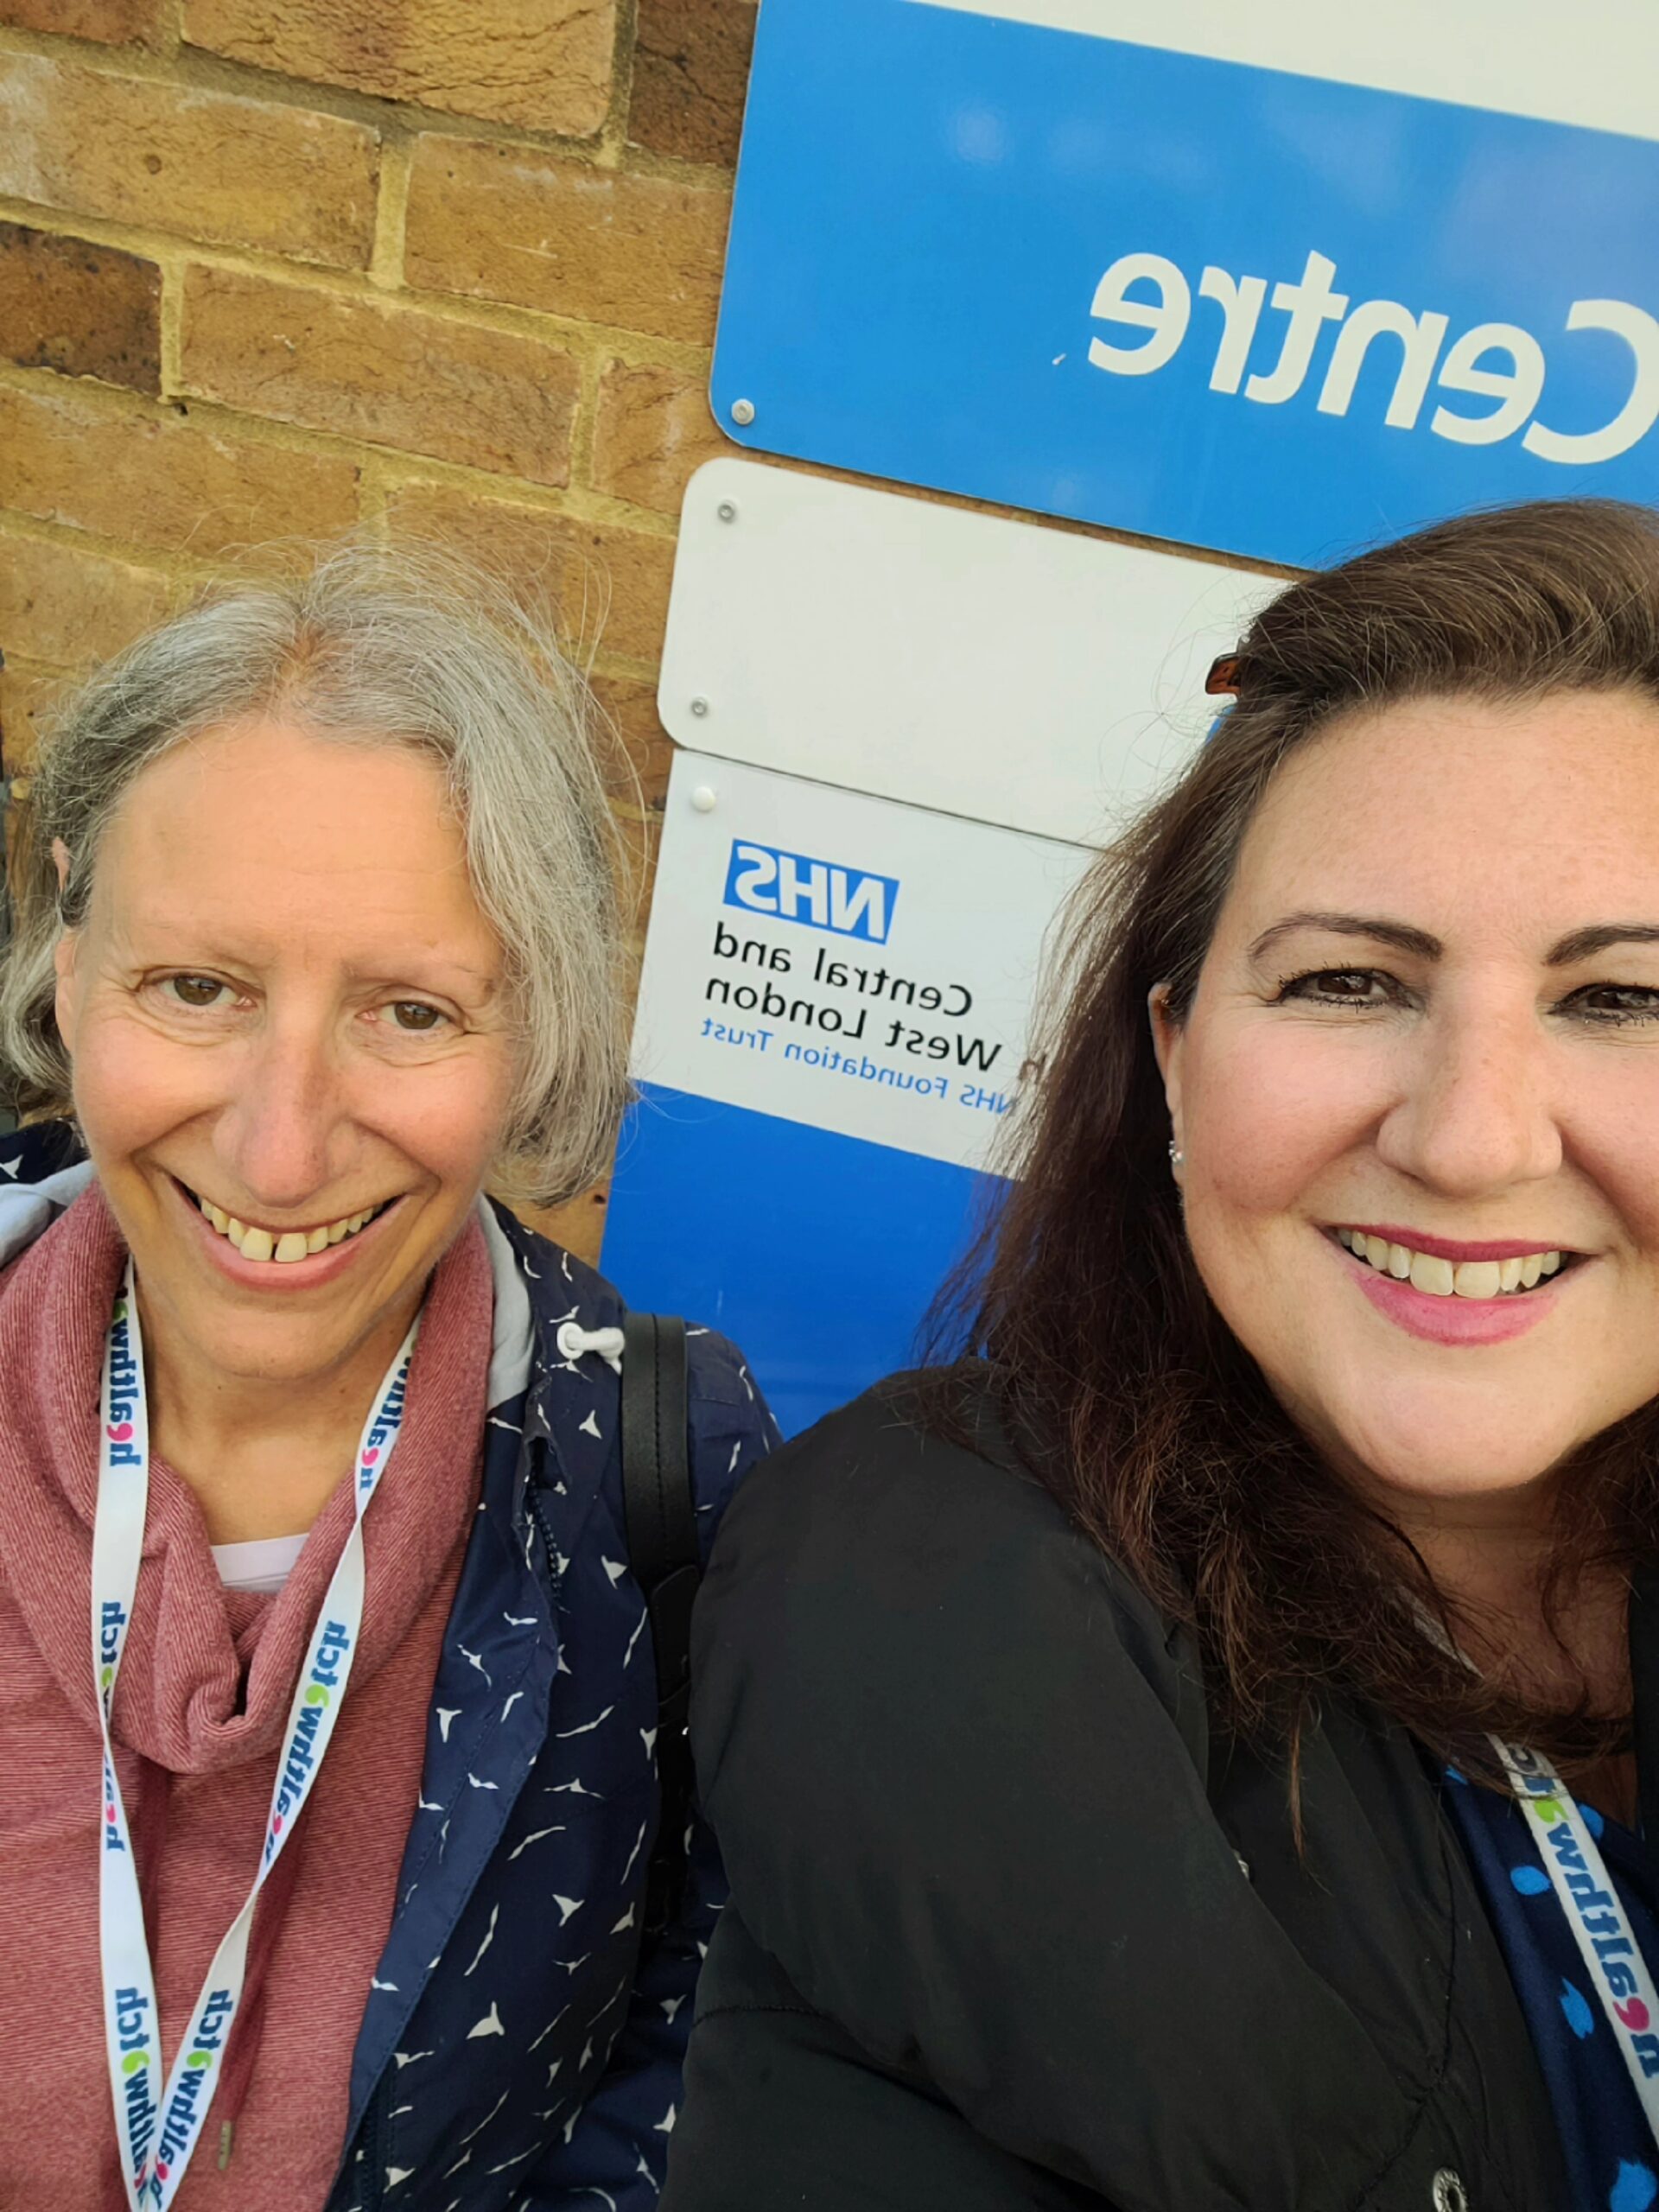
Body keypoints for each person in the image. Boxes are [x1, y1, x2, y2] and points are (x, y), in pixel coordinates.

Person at [664, 499, 1659, 2212]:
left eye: (1623, 1000)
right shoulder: (939, 1625)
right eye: (1350, 979)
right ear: (1177, 1058)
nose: (1473, 1138)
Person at [0, 546, 778, 2212]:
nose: (280, 1149)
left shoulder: (656, 1461)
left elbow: (694, 2042)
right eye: (194, 987)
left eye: (411, 1013)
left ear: (535, 1027)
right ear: (68, 960)